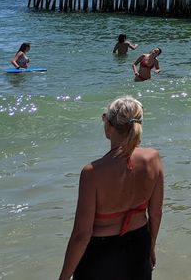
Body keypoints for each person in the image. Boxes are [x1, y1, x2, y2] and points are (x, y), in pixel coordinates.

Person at [59, 96, 164, 280]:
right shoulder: (153, 159)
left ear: (109, 127)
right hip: (139, 247)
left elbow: (81, 235)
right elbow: (156, 213)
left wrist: (64, 277)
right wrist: (150, 249)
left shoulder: (92, 173)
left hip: (101, 257)